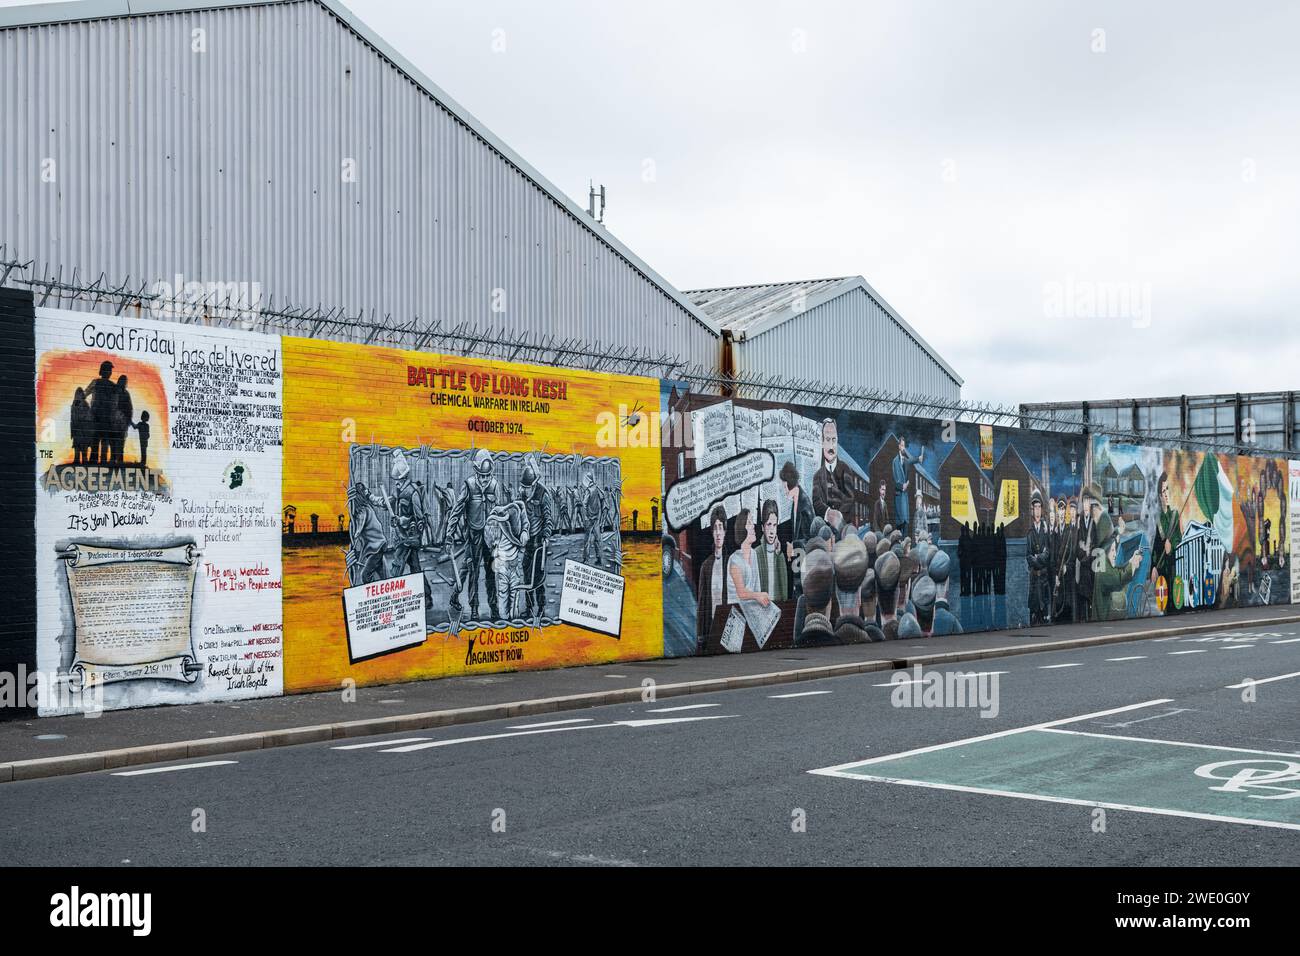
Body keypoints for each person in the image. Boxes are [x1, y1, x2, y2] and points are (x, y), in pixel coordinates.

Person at [447, 448, 501, 619]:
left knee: (491, 573)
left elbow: (500, 513)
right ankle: (475, 610)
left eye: (487, 475)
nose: (485, 479)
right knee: (473, 573)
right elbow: (456, 511)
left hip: (490, 538)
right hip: (473, 536)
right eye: (481, 475)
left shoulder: (495, 485)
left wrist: (500, 538)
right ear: (476, 472)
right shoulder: (469, 485)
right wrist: (449, 535)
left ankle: (494, 608)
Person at [388, 451, 434, 610]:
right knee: (415, 568)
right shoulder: (398, 492)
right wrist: (369, 496)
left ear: (404, 478)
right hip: (402, 537)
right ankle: (427, 598)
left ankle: (390, 602)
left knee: (396, 567)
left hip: (409, 539)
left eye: (398, 480)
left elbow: (419, 519)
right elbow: (386, 502)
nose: (396, 483)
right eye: (396, 481)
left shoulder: (413, 493)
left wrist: (401, 520)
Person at [518, 454, 554, 619]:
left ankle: (541, 607)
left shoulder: (543, 494)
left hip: (540, 541)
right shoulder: (523, 495)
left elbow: (548, 518)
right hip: (528, 541)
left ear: (533, 484)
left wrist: (546, 535)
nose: (524, 490)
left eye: (527, 487)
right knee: (526, 573)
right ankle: (529, 608)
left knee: (538, 576)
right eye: (523, 487)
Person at [812, 418, 861, 528]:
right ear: (822, 443)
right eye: (828, 439)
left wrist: (839, 517)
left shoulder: (846, 469)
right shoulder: (817, 476)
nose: (831, 446)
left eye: (834, 440)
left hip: (843, 528)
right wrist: (829, 513)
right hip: (824, 531)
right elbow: (816, 503)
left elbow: (850, 498)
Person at [484, 499, 528, 619]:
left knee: (510, 593)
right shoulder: (507, 527)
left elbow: (490, 543)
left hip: (509, 564)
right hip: (504, 564)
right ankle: (507, 619)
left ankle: (509, 620)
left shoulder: (512, 526)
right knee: (507, 593)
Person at [695, 505, 730, 649]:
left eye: (720, 527)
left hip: (727, 625)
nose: (718, 533)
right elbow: (702, 602)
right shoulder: (706, 566)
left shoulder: (731, 562)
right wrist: (701, 634)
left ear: (725, 531)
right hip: (711, 626)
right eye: (715, 528)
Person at [1150, 472, 1182, 593]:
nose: (1167, 494)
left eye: (1168, 489)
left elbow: (1179, 538)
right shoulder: (1157, 518)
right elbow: (1155, 545)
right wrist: (1153, 567)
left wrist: (1171, 547)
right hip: (1161, 567)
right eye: (1164, 491)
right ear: (1160, 496)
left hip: (1173, 566)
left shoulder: (1174, 515)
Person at [85, 360, 118, 465]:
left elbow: (84, 394)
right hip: (100, 416)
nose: (109, 372)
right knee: (100, 440)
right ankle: (98, 461)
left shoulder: (107, 385)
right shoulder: (107, 384)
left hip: (101, 416)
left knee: (100, 440)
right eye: (108, 370)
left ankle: (97, 461)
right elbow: (85, 393)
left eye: (110, 370)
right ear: (103, 371)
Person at [756, 499, 789, 602]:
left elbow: (784, 592)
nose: (771, 531)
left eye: (774, 525)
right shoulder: (756, 553)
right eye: (768, 524)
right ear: (762, 527)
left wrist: (779, 555)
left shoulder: (780, 555)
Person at [1026, 491, 1052, 625]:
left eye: (1039, 507)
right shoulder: (1029, 530)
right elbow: (1028, 556)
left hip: (1043, 577)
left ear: (1041, 509)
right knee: (1034, 609)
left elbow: (1047, 553)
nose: (1037, 510)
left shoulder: (1045, 529)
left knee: (1043, 608)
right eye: (1034, 507)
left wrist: (1038, 558)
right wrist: (1036, 559)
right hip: (1034, 577)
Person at [777, 460, 814, 553]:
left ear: (791, 483)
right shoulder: (795, 501)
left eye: (785, 487)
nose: (784, 491)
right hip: (798, 554)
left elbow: (811, 539)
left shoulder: (805, 504)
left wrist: (793, 545)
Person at [891, 436, 925, 536]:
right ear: (898, 446)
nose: (903, 448)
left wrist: (919, 458)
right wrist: (902, 486)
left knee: (905, 522)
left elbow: (912, 460)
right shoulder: (895, 462)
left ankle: (906, 545)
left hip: (904, 497)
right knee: (899, 524)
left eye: (904, 446)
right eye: (901, 446)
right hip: (899, 495)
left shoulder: (906, 460)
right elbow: (894, 480)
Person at [70, 388, 92, 465]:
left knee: (83, 445)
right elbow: (72, 418)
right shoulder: (74, 403)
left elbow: (88, 416)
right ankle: (77, 460)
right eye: (78, 394)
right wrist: (72, 431)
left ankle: (84, 460)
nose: (79, 395)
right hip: (77, 429)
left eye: (80, 393)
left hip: (83, 429)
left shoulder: (85, 404)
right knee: (77, 445)